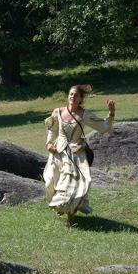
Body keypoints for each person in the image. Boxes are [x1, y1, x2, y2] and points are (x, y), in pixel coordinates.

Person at [43, 84, 116, 226]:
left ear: (81, 99)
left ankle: (70, 217)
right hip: (59, 153)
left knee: (74, 185)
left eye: (76, 95)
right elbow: (52, 130)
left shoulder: (85, 115)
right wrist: (48, 144)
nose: (72, 97)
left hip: (76, 154)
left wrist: (111, 113)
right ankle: (62, 207)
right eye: (70, 94)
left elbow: (104, 127)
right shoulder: (58, 112)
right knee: (53, 182)